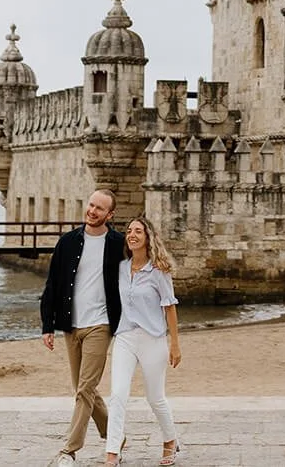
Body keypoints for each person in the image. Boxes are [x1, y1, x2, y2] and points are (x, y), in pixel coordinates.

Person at [41, 188, 126, 465]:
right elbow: (52, 284)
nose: (93, 211)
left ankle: (69, 450)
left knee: (85, 389)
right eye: (91, 205)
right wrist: (47, 325)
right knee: (82, 387)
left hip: (101, 325)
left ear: (110, 214)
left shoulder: (118, 244)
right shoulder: (67, 242)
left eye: (100, 208)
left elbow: (133, 281)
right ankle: (115, 435)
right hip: (70, 325)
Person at [103, 215, 181, 467]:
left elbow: (169, 307)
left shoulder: (159, 271)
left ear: (148, 237)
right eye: (129, 231)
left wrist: (175, 344)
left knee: (155, 397)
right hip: (125, 337)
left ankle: (170, 441)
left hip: (153, 339)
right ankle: (112, 451)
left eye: (138, 231)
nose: (132, 234)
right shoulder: (121, 269)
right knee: (118, 395)